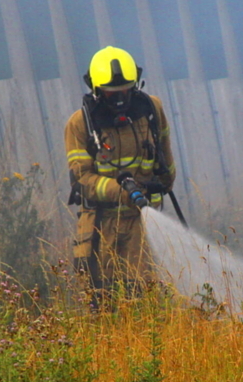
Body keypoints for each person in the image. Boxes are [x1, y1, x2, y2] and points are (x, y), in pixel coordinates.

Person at [65, 46, 176, 307]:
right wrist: (122, 192)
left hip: (143, 222)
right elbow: (82, 179)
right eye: (112, 93)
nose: (119, 98)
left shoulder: (150, 109)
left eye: (125, 90)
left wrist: (158, 186)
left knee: (145, 299)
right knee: (104, 302)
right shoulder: (80, 124)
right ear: (95, 87)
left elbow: (165, 160)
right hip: (102, 225)